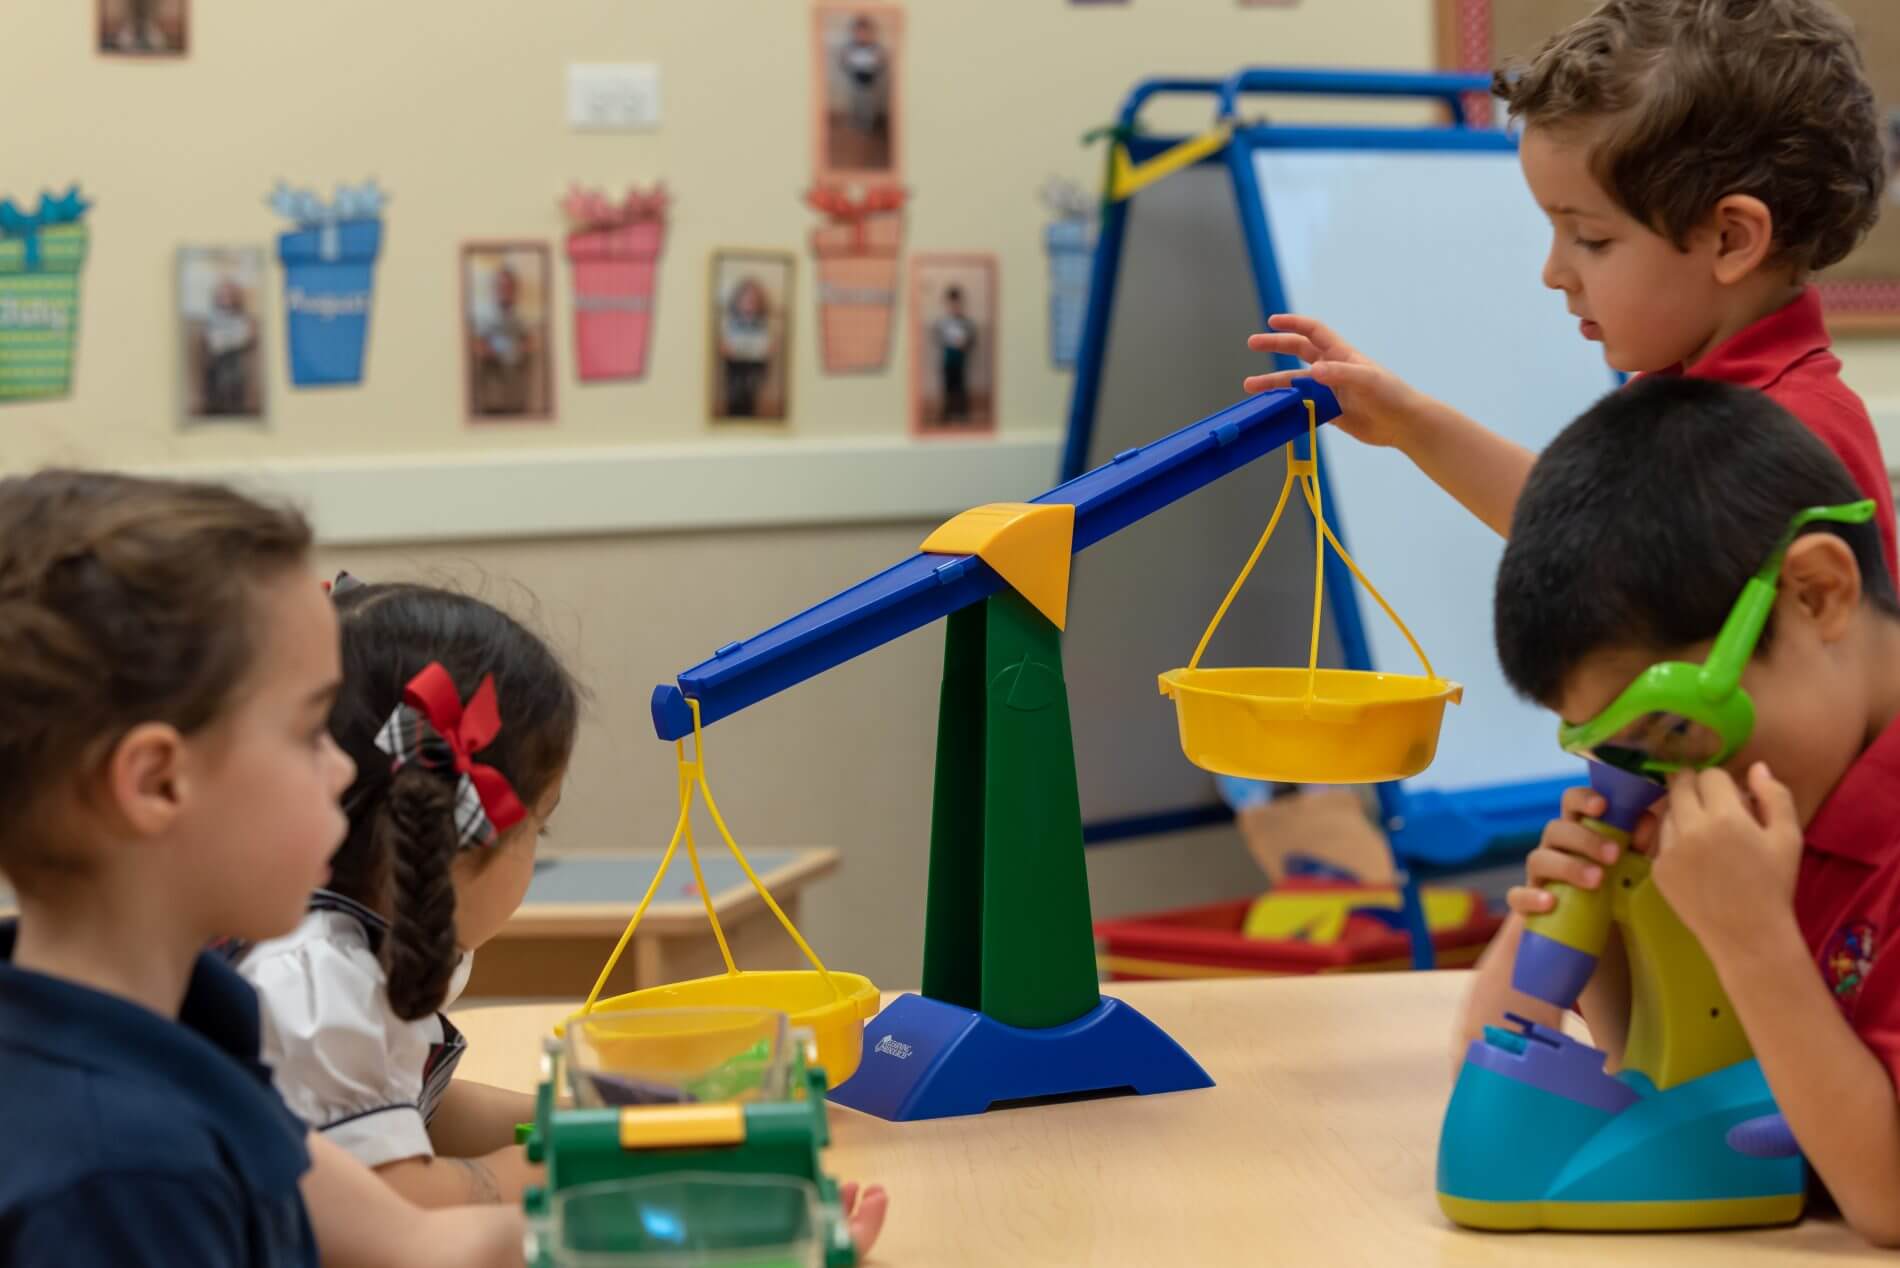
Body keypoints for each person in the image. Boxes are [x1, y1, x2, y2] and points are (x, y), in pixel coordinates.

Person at [0, 471, 521, 1267]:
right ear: (158, 783)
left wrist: (686, 1161)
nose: (349, 772)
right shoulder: (122, 1172)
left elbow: (419, 1244)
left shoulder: (186, 1029)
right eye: (312, 730)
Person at [1245, 0, 1895, 575]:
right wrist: (1406, 420)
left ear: (1730, 240)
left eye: (1591, 238)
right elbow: (1581, 531)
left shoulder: (1790, 441)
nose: (1554, 273)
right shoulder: (1683, 390)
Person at [1471, 376, 1900, 1247]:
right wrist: (1614, 947)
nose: (1670, 782)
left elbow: (1890, 1197)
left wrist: (1751, 940)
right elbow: (1716, 1087)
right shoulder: (1790, 796)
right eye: (1631, 753)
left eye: (1679, 726)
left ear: (1817, 594)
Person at [471, 265, 536, 416]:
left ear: (514, 289)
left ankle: (517, 408)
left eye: (508, 286)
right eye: (500, 286)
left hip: (517, 362)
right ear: (495, 289)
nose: (504, 290)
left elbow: (530, 340)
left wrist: (524, 349)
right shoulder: (485, 313)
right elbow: (479, 342)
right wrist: (487, 351)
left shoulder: (523, 314)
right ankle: (492, 408)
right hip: (493, 363)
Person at [201, 276, 258, 416]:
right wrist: (231, 339)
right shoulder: (212, 317)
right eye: (222, 295)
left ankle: (235, 405)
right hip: (217, 358)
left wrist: (230, 340)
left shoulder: (241, 317)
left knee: (235, 371)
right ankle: (217, 404)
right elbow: (213, 341)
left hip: (236, 355)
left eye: (229, 295)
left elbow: (246, 337)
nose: (226, 298)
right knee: (218, 371)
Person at [720, 277, 773, 418]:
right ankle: (734, 412)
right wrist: (726, 349)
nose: (749, 304)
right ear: (737, 302)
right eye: (746, 300)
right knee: (735, 390)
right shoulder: (731, 322)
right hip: (736, 364)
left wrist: (766, 350)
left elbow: (766, 346)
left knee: (751, 390)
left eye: (753, 301)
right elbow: (726, 344)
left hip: (755, 364)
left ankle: (749, 412)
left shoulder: (763, 324)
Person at [933, 286, 975, 423]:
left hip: (961, 359)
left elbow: (972, 339)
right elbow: (938, 337)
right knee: (947, 387)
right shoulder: (943, 322)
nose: (954, 306)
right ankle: (947, 414)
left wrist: (965, 344)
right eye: (951, 303)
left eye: (957, 303)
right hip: (948, 358)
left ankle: (962, 414)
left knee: (961, 387)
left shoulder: (966, 322)